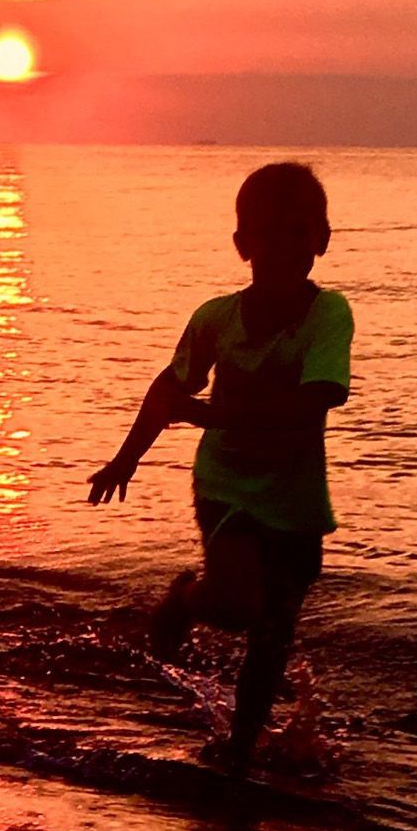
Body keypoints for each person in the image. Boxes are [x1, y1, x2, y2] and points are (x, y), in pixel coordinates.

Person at [86, 161, 354, 773]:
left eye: (298, 233)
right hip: (228, 483)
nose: (284, 248)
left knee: (273, 633)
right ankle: (186, 598)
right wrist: (125, 459)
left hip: (297, 494)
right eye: (269, 234)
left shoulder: (328, 315)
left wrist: (214, 416)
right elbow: (169, 389)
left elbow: (313, 400)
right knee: (234, 606)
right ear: (243, 245)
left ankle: (240, 748)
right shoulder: (216, 319)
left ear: (321, 241)